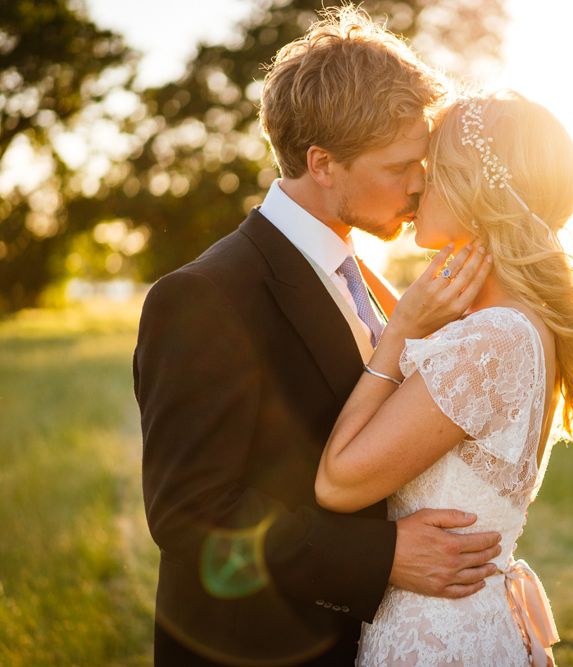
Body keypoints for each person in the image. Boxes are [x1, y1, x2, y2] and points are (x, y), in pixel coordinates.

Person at [133, 8, 501, 666]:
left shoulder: (363, 272)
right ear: (322, 163)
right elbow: (190, 510)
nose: (418, 183)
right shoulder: (205, 295)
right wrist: (382, 556)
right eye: (398, 167)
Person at [315, 90, 573, 666]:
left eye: (430, 173)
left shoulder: (491, 340)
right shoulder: (515, 324)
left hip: (437, 639)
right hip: (470, 622)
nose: (415, 189)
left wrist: (401, 331)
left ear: (474, 188)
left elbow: (338, 481)